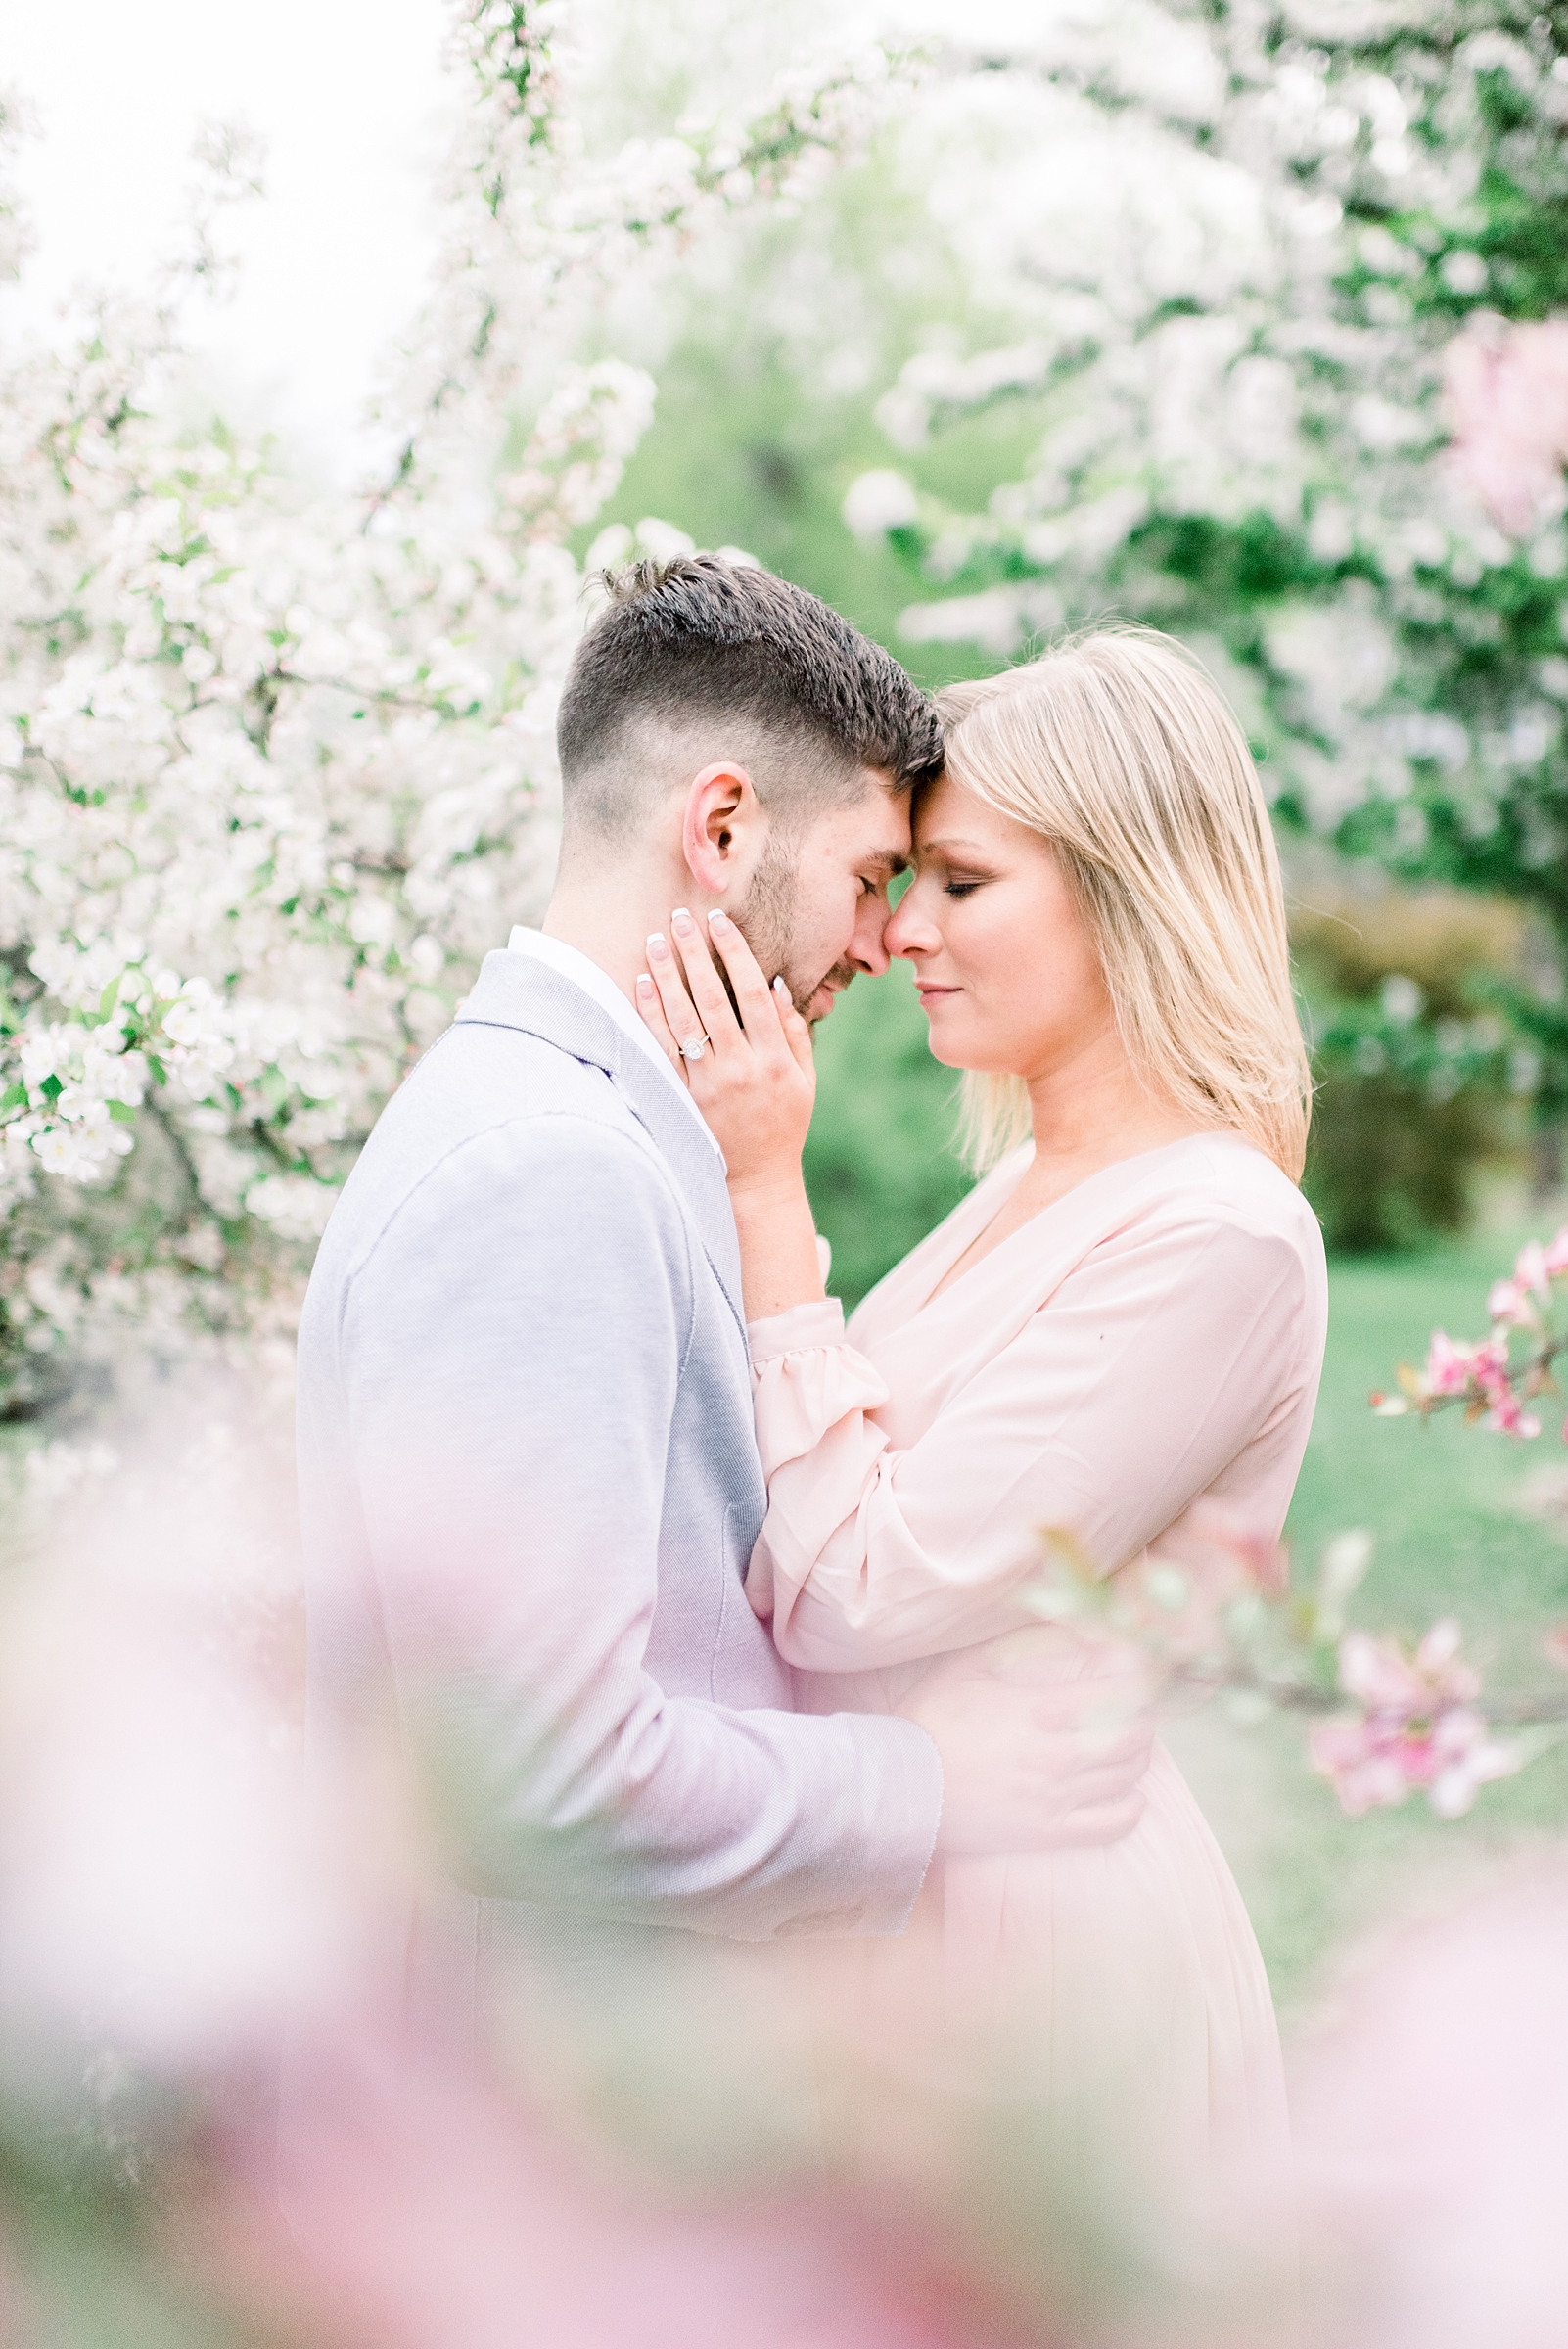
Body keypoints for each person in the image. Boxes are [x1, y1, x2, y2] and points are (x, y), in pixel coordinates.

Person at [292, 559, 1155, 2045]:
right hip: (552, 2116)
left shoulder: (568, 1127)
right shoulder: (546, 1173)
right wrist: (936, 1787)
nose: (886, 940)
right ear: (722, 826)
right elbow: (541, 1776)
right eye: (872, 875)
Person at [635, 623, 1328, 2167]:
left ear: (1124, 882)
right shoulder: (1026, 1178)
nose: (902, 938)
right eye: (903, 886)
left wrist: (766, 1196)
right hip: (908, 1901)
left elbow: (850, 1590)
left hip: (1047, 1950)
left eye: (963, 883)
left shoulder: (1216, 1235)